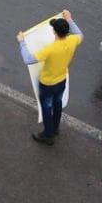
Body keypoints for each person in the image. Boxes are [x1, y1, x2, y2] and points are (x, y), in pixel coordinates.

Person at [16, 10, 83, 145]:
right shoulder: (73, 40)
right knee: (57, 103)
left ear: (54, 32)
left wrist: (22, 41)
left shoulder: (50, 49)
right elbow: (80, 34)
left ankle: (48, 135)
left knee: (46, 107)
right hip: (62, 79)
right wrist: (69, 19)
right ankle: (55, 128)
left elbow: (28, 59)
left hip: (47, 83)